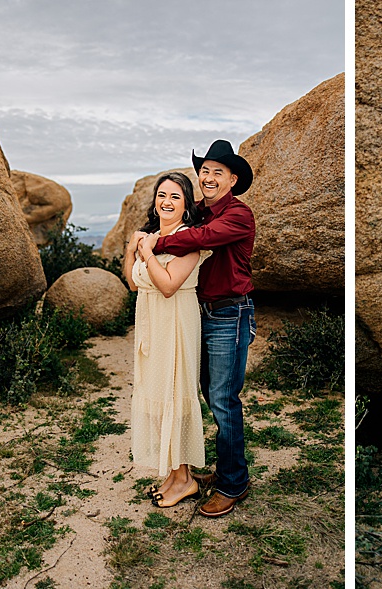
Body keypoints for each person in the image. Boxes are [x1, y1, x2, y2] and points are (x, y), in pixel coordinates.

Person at [142, 139, 256, 517]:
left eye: (216, 172)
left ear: (232, 179)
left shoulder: (237, 215)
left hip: (229, 314)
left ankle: (233, 484)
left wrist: (156, 242)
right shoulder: (200, 212)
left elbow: (201, 240)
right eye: (204, 171)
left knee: (224, 400)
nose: (207, 177)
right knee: (208, 394)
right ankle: (224, 471)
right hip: (201, 314)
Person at [125, 172, 210, 508]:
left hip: (176, 322)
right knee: (158, 394)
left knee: (176, 393)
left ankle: (186, 479)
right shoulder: (152, 237)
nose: (166, 202)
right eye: (161, 195)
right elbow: (133, 283)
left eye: (175, 196)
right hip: (151, 325)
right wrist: (133, 249)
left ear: (186, 204)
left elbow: (169, 284)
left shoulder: (189, 238)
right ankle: (174, 474)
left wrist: (145, 253)